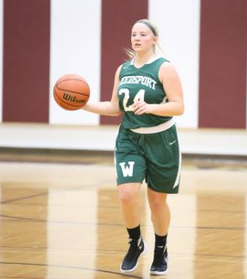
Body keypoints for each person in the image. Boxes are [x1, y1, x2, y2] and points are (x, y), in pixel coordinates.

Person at [82, 18, 184, 275]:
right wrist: (83, 104)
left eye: (142, 34)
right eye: (133, 34)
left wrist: (152, 107)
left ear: (154, 40)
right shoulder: (123, 69)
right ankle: (135, 242)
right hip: (130, 139)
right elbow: (115, 107)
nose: (137, 38)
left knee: (157, 202)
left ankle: (160, 249)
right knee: (126, 195)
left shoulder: (164, 68)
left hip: (161, 139)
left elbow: (179, 106)